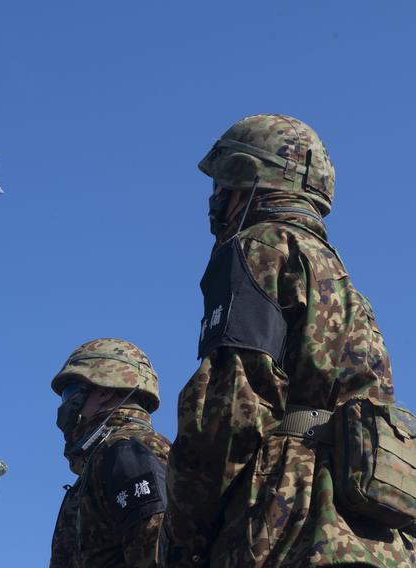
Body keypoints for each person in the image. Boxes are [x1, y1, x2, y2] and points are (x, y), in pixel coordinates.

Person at [164, 114, 416, 566]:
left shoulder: (259, 247)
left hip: (286, 527)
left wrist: (182, 542)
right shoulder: (348, 287)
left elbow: (228, 410)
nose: (214, 199)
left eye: (220, 185)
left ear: (244, 181)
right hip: (373, 539)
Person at [50, 338, 170, 567]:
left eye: (70, 392)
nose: (65, 407)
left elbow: (157, 555)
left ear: (104, 390)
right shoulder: (107, 456)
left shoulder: (124, 452)